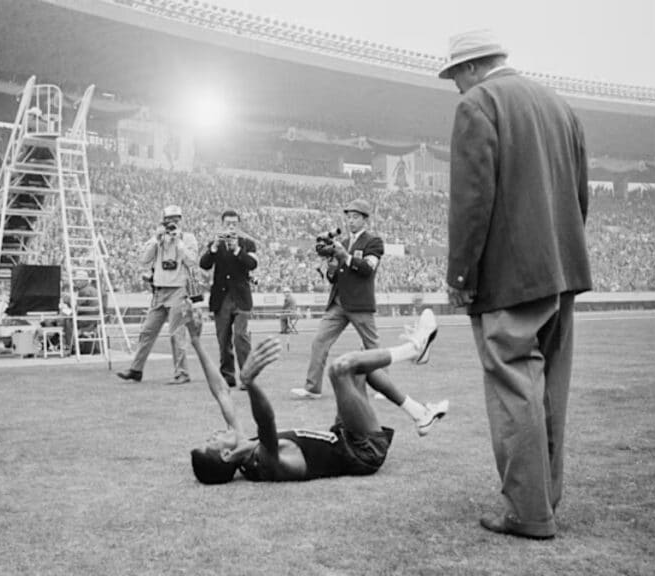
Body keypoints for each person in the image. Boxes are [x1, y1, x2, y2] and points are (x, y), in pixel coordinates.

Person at [439, 29, 592, 540]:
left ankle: (528, 513)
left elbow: (471, 201)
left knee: (513, 387)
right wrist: (561, 257)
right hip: (560, 269)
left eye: (455, 77)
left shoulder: (479, 104)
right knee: (550, 391)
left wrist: (461, 276)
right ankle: (543, 501)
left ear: (469, 69)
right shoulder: (559, 106)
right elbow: (579, 197)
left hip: (508, 276)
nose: (457, 89)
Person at [191, 310, 447, 484]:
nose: (213, 434)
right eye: (211, 441)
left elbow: (222, 393)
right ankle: (414, 348)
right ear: (226, 456)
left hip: (344, 435)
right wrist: (250, 383)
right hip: (362, 452)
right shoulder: (264, 464)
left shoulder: (246, 447)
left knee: (359, 365)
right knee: (340, 369)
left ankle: (420, 414)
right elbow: (266, 421)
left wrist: (196, 341)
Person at [291, 199, 385, 399]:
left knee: (372, 345)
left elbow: (368, 269)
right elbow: (333, 277)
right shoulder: (341, 243)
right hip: (338, 302)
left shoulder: (373, 241)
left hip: (359, 303)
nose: (350, 221)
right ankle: (312, 388)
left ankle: (384, 389)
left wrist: (346, 257)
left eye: (355, 217)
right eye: (348, 217)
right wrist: (330, 266)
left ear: (365, 220)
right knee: (319, 342)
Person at [117, 205, 198, 384]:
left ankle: (182, 373)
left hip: (178, 290)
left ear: (181, 220)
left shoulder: (187, 238)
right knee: (147, 331)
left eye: (176, 220)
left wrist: (178, 241)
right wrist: (156, 239)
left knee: (176, 333)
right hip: (159, 291)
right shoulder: (157, 240)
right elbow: (144, 260)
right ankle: (136, 369)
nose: (172, 224)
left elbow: (192, 261)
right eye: (169, 220)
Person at [199, 209, 259, 389]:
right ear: (222, 225)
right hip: (221, 297)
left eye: (234, 224)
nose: (231, 227)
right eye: (228, 224)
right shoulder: (215, 244)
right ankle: (227, 376)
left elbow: (252, 264)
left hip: (241, 297)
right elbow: (204, 264)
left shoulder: (248, 243)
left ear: (239, 225)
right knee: (223, 338)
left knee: (241, 337)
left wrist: (238, 250)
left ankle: (247, 377)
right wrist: (214, 248)